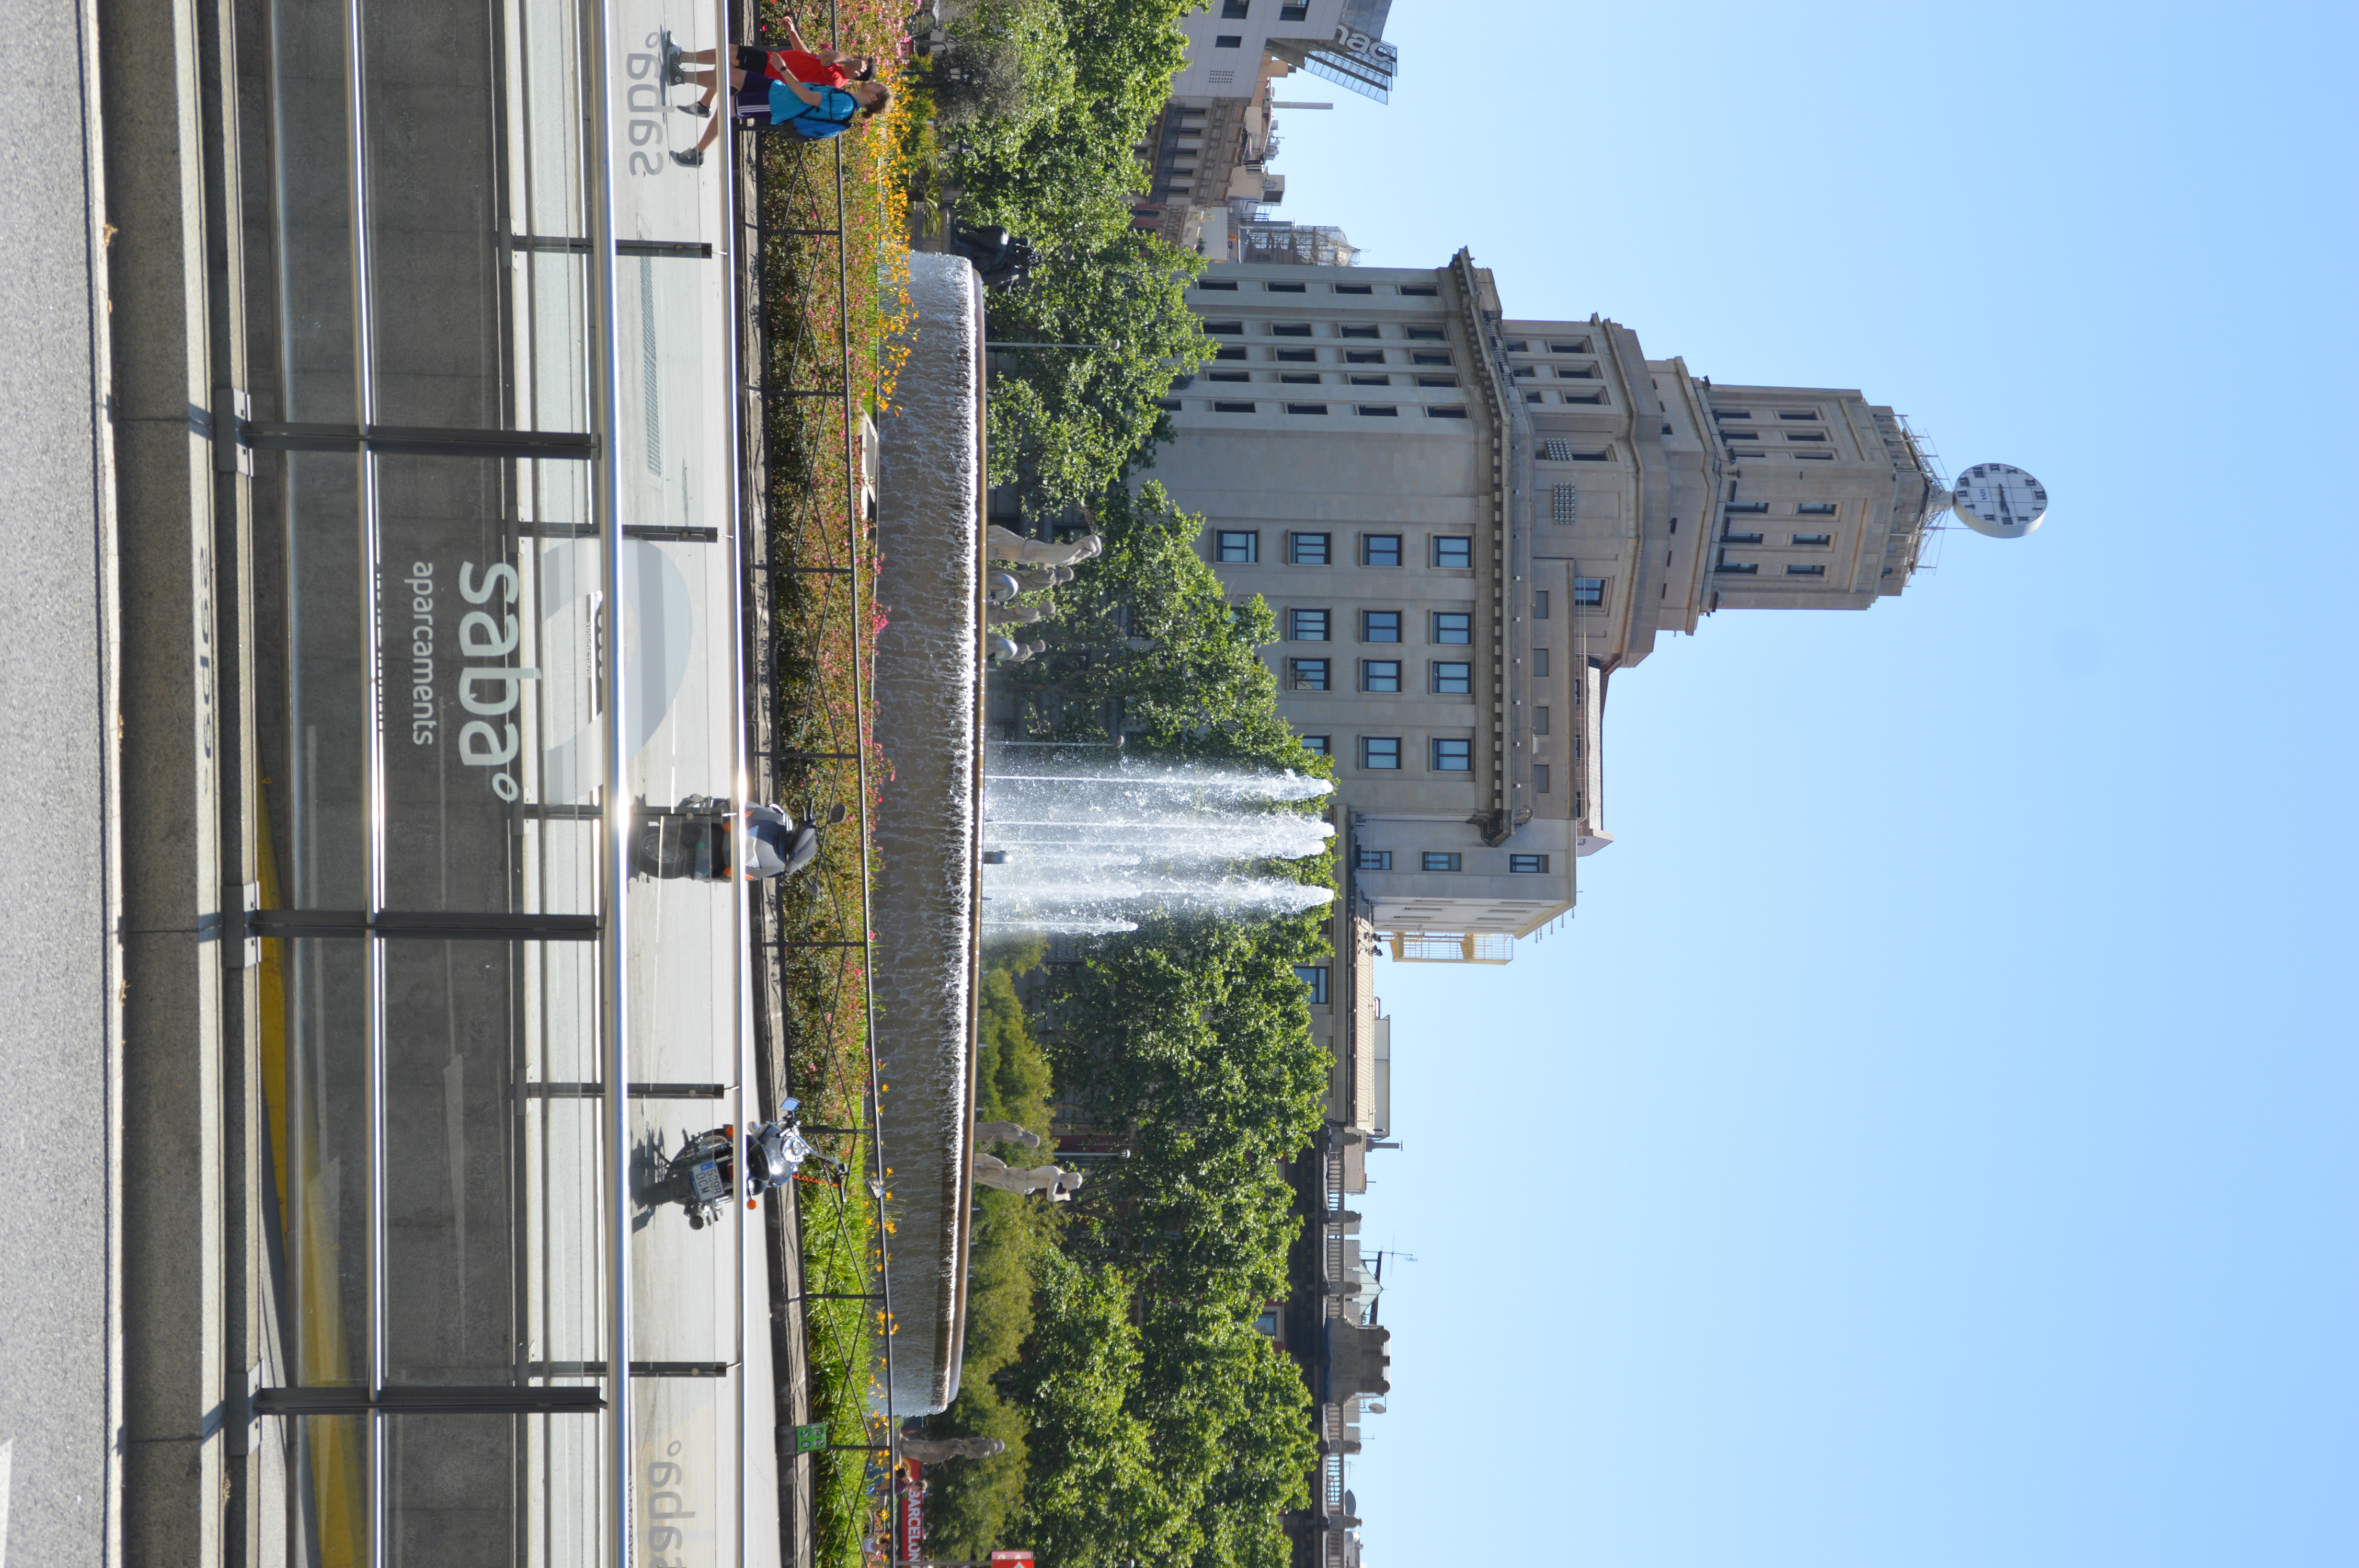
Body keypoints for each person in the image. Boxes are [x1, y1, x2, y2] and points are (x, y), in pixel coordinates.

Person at [665, 36, 888, 165]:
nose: (876, 82)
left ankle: (697, 154)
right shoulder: (847, 98)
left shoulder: (846, 104)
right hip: (777, 89)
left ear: (873, 97)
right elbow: (813, 66)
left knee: (727, 108)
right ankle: (681, 76)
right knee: (732, 75)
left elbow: (807, 97)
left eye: (878, 86)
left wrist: (783, 70)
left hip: (776, 104)